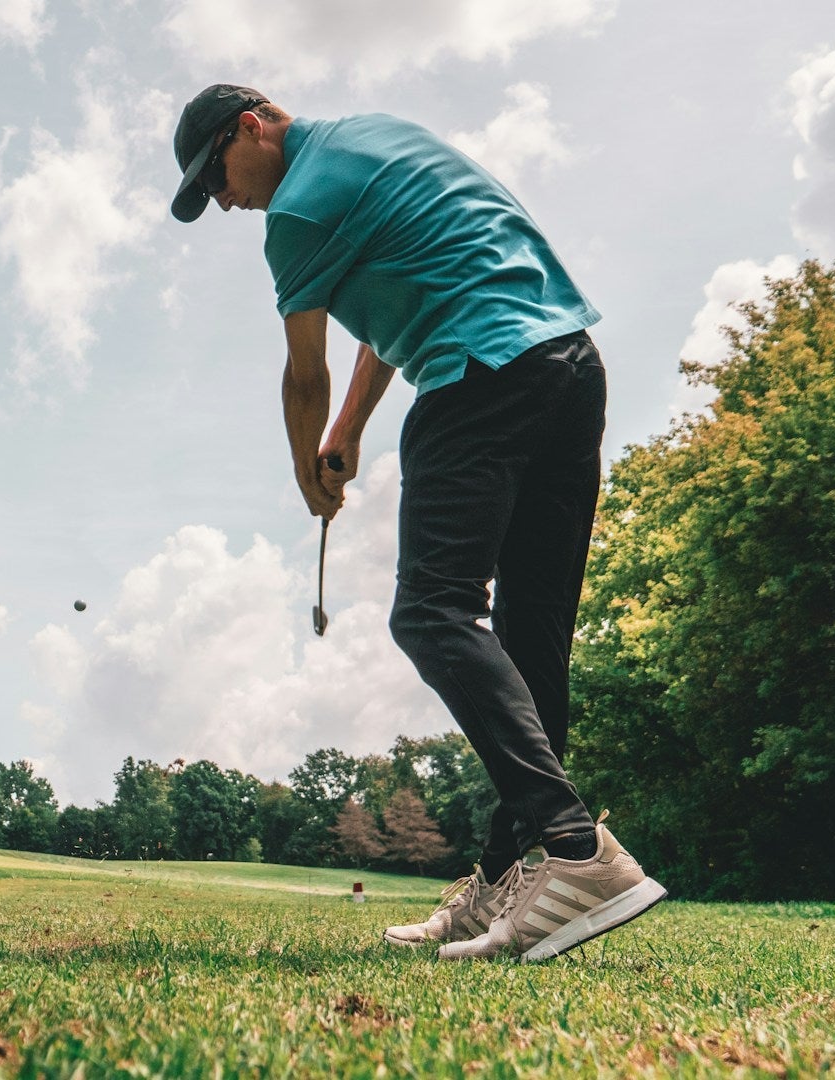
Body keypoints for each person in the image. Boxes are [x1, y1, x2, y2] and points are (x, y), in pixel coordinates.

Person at [169, 84, 665, 962]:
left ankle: (577, 849)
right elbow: (396, 315)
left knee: (431, 612)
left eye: (216, 177)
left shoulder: (295, 211)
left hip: (479, 375)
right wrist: (351, 432)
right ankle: (508, 882)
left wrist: (306, 476)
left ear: (251, 126)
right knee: (531, 637)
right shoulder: (376, 137)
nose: (225, 200)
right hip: (567, 365)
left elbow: (303, 373)